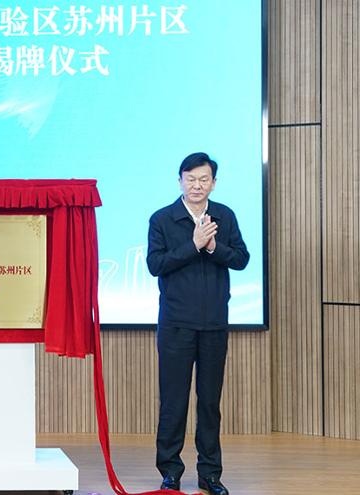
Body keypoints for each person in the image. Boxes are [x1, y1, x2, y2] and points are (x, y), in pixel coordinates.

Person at [146, 152, 249, 495]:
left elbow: (242, 259)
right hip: (176, 324)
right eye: (190, 179)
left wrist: (215, 247)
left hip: (214, 324)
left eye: (204, 179)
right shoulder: (163, 219)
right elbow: (155, 265)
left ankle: (210, 475)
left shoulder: (224, 216)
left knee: (209, 403)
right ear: (180, 181)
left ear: (213, 183)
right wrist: (193, 245)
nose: (197, 185)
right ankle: (170, 472)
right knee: (173, 401)